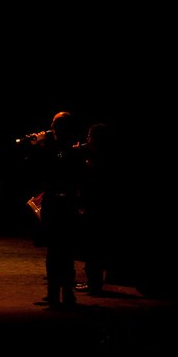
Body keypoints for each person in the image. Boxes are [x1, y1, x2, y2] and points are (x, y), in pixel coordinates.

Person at [23, 111, 86, 308]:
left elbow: (57, 167)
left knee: (64, 252)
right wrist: (37, 147)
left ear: (62, 127)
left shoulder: (69, 149)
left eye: (55, 124)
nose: (51, 127)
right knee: (53, 251)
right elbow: (33, 169)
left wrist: (42, 146)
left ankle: (66, 294)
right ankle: (54, 293)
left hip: (65, 204)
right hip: (53, 203)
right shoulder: (54, 148)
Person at [76, 122, 114, 295]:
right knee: (94, 246)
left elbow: (91, 180)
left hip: (96, 207)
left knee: (93, 247)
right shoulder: (98, 156)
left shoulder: (98, 158)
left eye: (89, 136)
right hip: (98, 206)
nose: (87, 139)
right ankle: (94, 282)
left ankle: (94, 284)